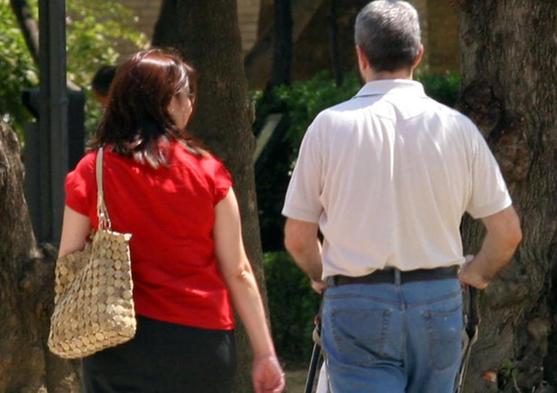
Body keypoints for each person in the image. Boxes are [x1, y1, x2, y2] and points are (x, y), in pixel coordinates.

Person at [282, 1, 522, 392]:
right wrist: (474, 274)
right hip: (438, 298)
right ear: (419, 55)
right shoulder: (457, 129)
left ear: (361, 55)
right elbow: (507, 233)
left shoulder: (328, 127)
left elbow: (297, 237)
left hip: (357, 299)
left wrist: (318, 273)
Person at [59, 49, 285, 393]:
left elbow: (68, 259)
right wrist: (265, 353)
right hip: (200, 341)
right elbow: (237, 269)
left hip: (116, 339)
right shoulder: (209, 172)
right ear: (168, 103)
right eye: (186, 95)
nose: (190, 104)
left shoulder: (94, 169)